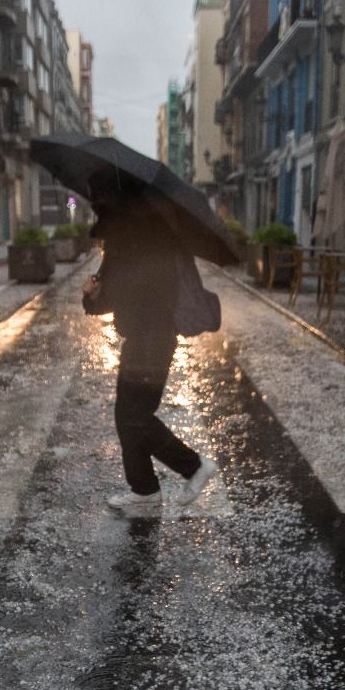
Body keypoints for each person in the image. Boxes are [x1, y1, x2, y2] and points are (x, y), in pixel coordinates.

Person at [81, 177, 218, 513]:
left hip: (152, 339)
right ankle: (144, 491)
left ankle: (194, 466)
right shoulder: (128, 242)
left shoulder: (138, 242)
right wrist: (91, 295)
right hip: (145, 338)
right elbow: (105, 301)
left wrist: (103, 289)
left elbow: (132, 292)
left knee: (134, 416)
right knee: (127, 415)